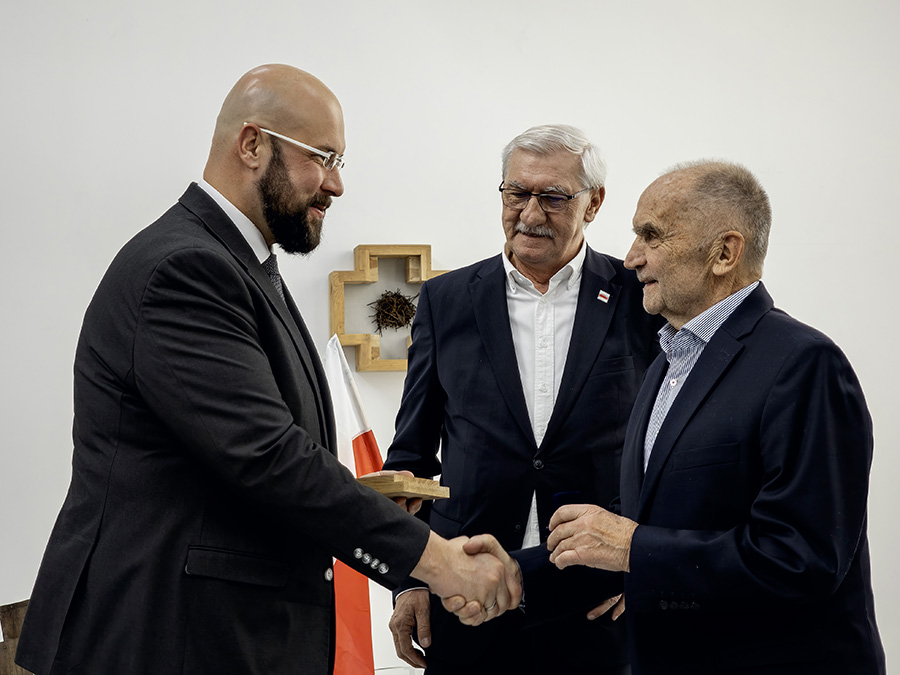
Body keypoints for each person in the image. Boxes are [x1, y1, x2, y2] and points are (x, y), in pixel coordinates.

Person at [15, 64, 521, 675]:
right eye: (323, 157)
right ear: (252, 144)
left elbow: (237, 461)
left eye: (340, 162)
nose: (336, 184)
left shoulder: (243, 264)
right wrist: (437, 562)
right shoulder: (186, 268)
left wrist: (373, 503)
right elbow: (267, 457)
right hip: (165, 636)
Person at [546, 160, 886, 674]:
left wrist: (633, 546)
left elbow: (802, 561)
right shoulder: (667, 363)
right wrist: (498, 572)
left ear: (725, 253)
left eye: (651, 235)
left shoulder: (804, 364)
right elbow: (655, 514)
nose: (632, 258)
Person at [382, 124, 662, 674]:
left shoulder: (640, 297)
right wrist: (408, 579)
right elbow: (410, 461)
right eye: (517, 193)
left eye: (553, 197)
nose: (530, 213)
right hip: (464, 595)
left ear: (594, 203)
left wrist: (648, 567)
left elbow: (671, 454)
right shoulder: (444, 300)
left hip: (597, 598)